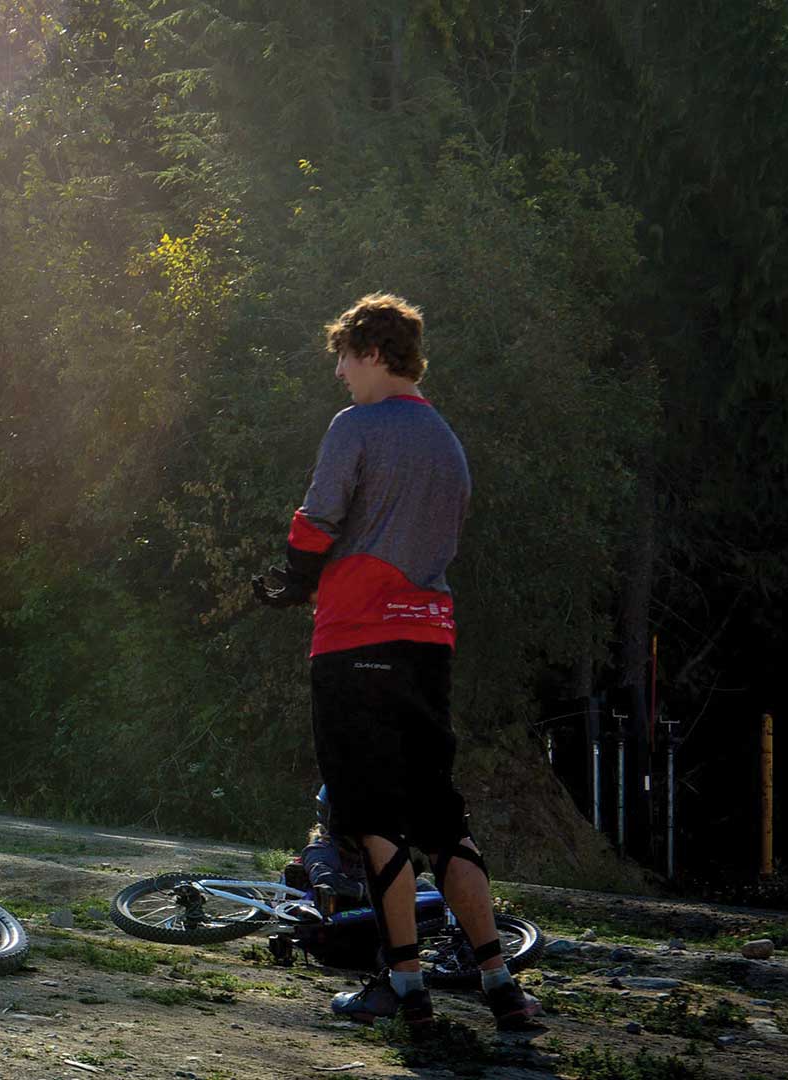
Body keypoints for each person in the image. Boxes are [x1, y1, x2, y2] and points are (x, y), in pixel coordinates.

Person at [252, 294, 542, 1033]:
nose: (341, 373)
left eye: (346, 357)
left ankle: (402, 985)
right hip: (428, 642)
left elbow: (319, 520)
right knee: (443, 816)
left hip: (355, 644)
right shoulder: (447, 439)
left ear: (375, 353)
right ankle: (501, 984)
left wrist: (291, 579)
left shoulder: (357, 426)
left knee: (374, 819)